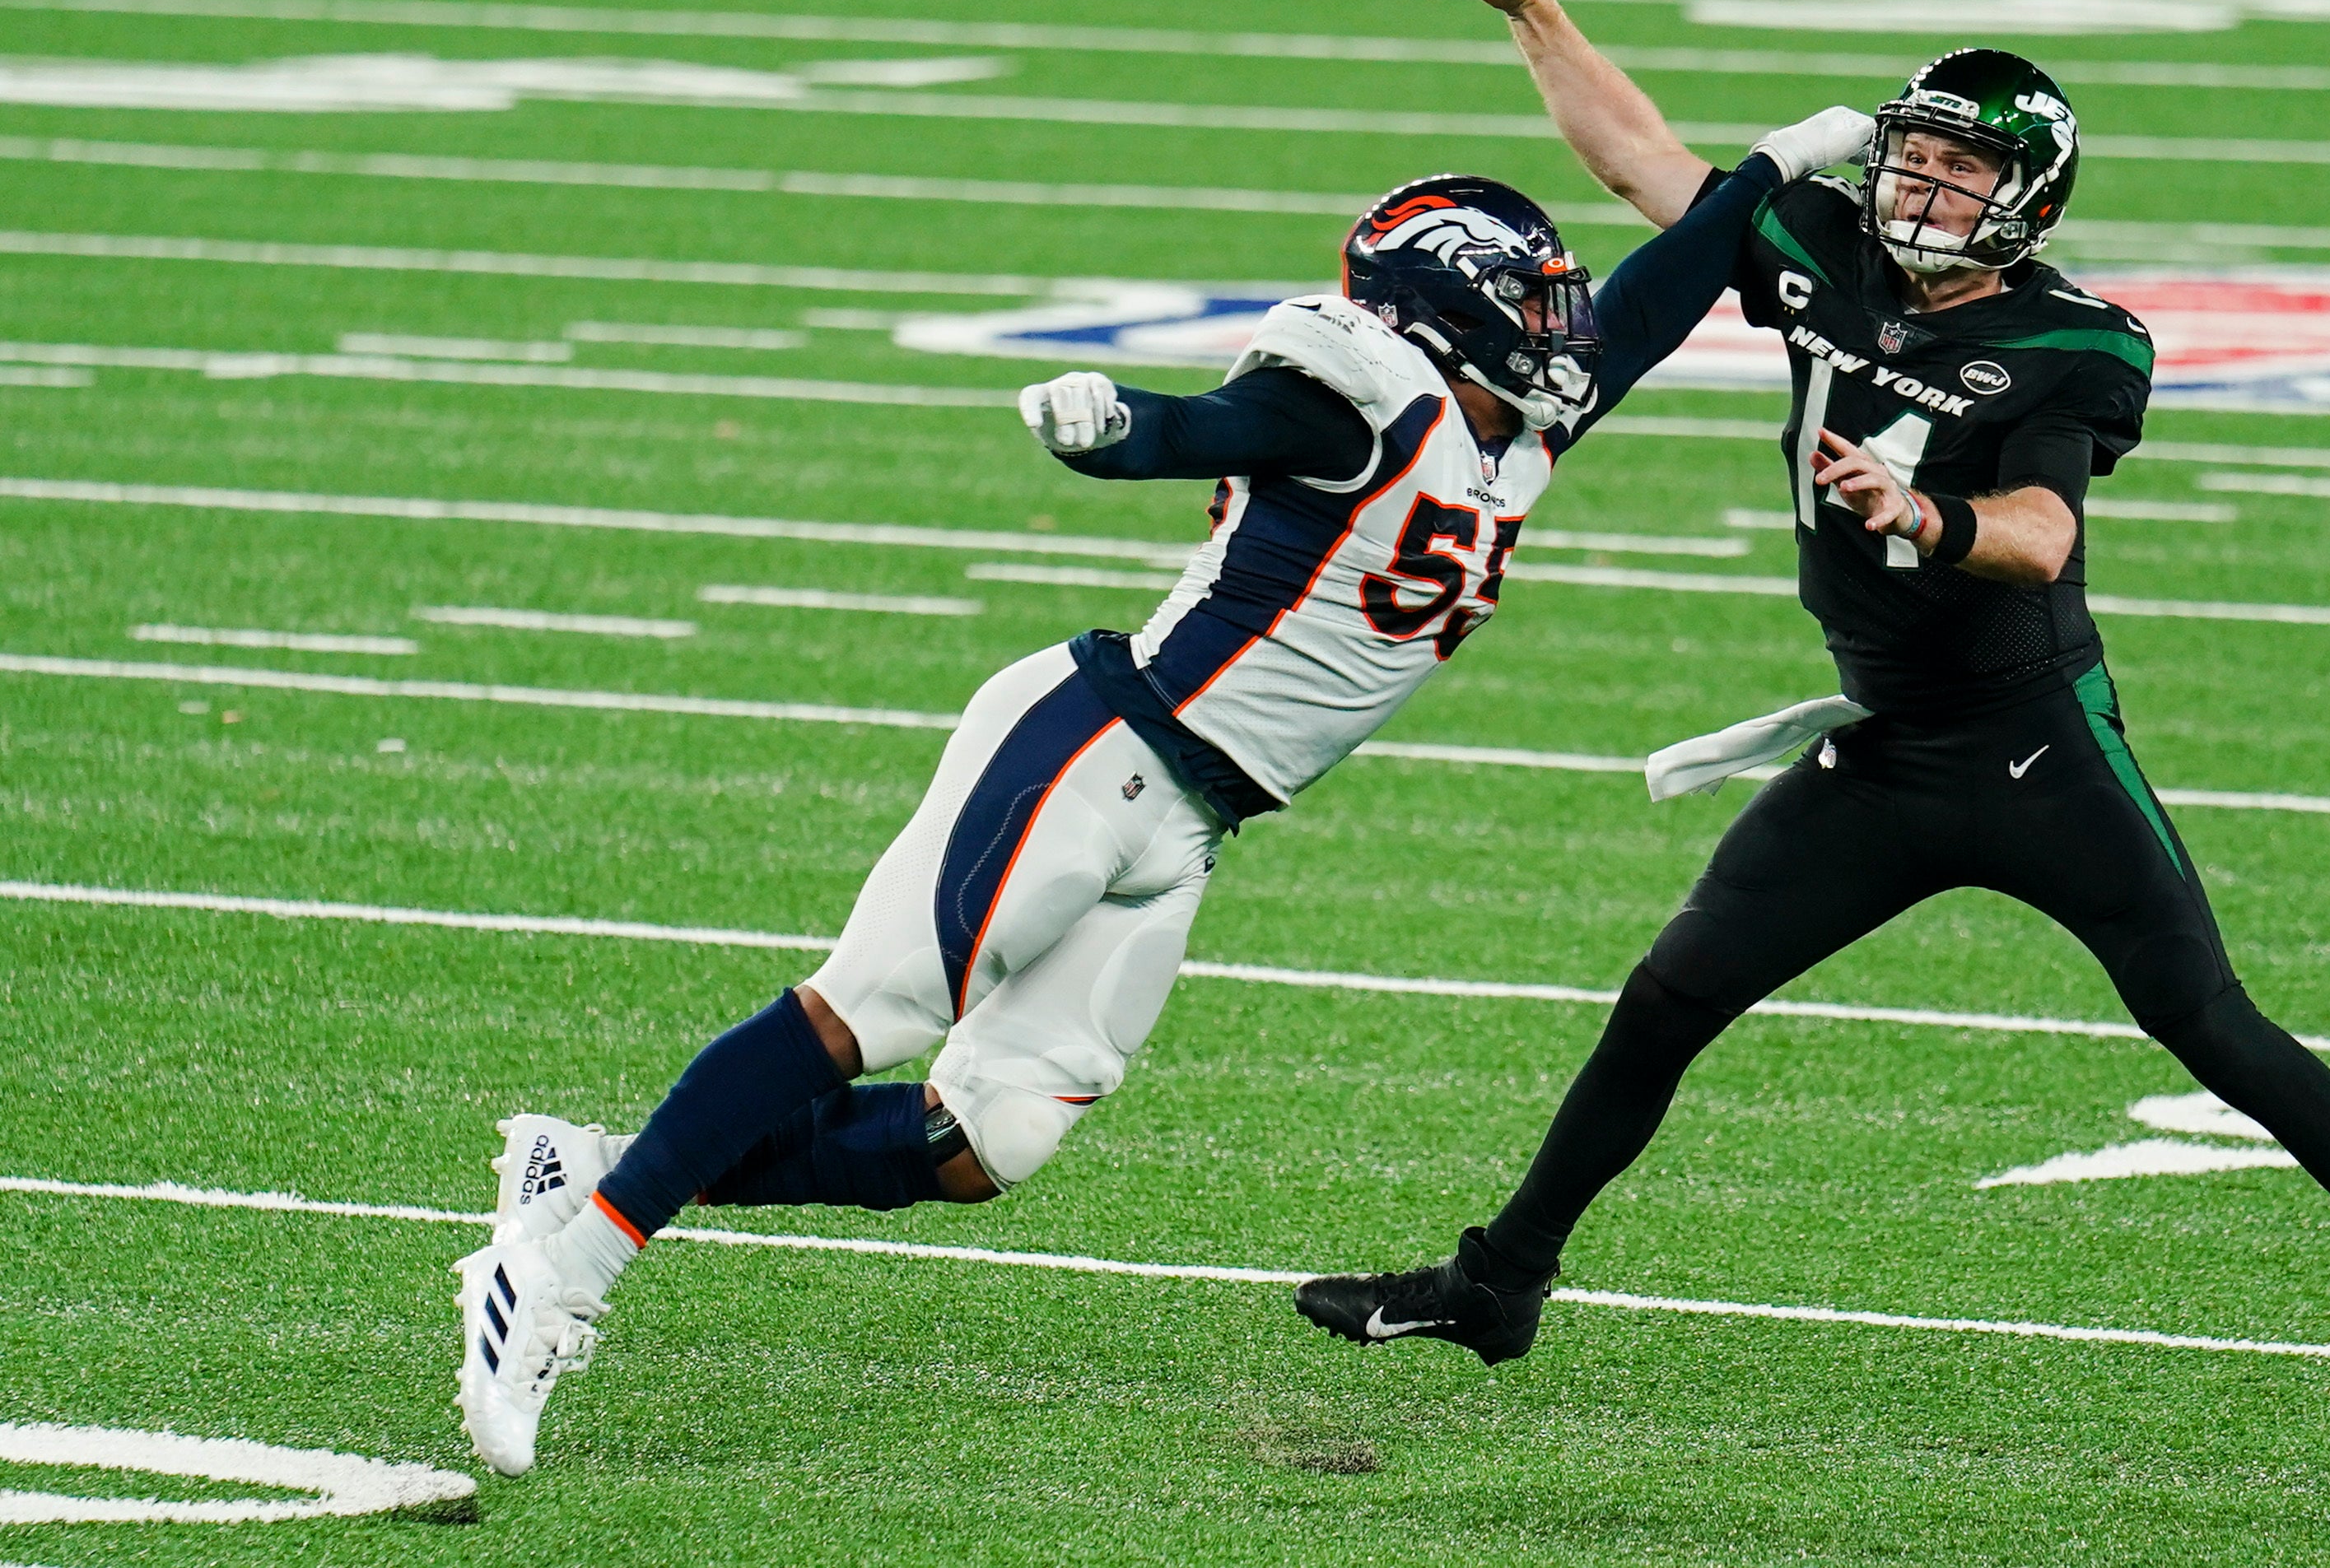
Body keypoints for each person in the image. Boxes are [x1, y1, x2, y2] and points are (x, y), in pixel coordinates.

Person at [1293, 0, 2330, 1447]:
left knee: (2209, 1020)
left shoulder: (2076, 341)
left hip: (2032, 741)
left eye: (1964, 170)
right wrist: (1528, 6)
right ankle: (1500, 1284)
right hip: (1886, 747)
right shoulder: (1826, 249)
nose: (1920, 184)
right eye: (1916, 154)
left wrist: (1925, 514)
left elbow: (2039, 537)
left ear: (2026, 199)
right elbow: (1642, 160)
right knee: (1670, 994)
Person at [451, 120, 1880, 1477]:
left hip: (1191, 819)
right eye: (1532, 293)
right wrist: (1110, 427)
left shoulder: (1513, 432)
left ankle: (595, 1169)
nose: (1566, 320)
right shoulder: (1357, 399)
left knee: (983, 1142)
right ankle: (559, 1269)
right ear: (1446, 303)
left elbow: (1656, 291)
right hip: (1100, 746)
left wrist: (1773, 167)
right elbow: (1205, 424)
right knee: (866, 1012)